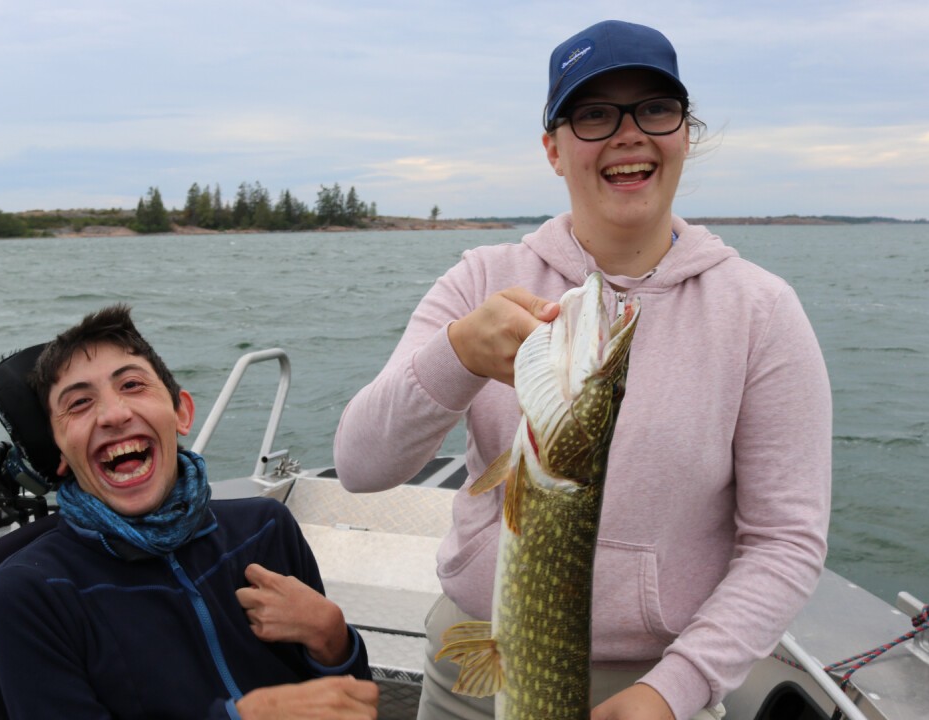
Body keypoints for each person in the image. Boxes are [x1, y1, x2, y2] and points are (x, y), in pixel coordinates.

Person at [333, 19, 831, 720]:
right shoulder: (480, 279)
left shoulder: (761, 311)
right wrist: (458, 355)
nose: (629, 134)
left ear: (685, 133)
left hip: (663, 690)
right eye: (594, 115)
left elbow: (786, 541)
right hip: (485, 663)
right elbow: (359, 464)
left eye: (655, 109)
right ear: (553, 149)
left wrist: (673, 689)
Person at [0, 304, 379, 719]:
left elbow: (353, 704)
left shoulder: (265, 528)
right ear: (58, 453)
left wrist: (334, 640)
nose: (115, 414)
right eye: (79, 403)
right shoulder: (30, 592)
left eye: (133, 385)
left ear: (182, 413)